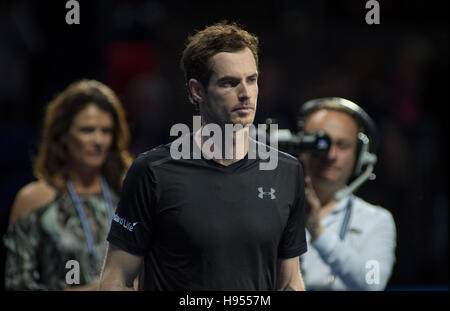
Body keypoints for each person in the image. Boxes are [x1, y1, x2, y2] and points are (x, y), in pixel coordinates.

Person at [99, 21, 307, 291]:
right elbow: (116, 280)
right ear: (197, 90)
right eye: (229, 83)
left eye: (252, 80)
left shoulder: (287, 171)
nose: (245, 94)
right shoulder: (152, 172)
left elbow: (290, 281)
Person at [3, 79, 133, 290]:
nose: (98, 140)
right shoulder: (34, 200)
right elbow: (17, 284)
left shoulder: (127, 193)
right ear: (63, 135)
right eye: (87, 130)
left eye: (106, 131)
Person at [297, 97, 396, 290]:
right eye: (321, 144)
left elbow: (373, 283)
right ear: (301, 147)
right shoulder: (274, 209)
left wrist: (318, 232)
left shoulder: (376, 220)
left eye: (342, 145)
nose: (331, 155)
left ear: (359, 154)